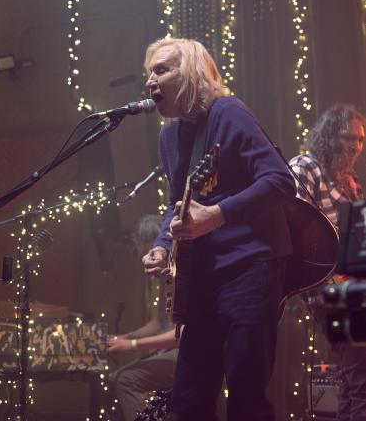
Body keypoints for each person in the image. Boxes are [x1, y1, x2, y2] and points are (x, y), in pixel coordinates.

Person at [142, 37, 296, 421]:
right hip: (203, 278)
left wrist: (217, 214)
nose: (149, 81)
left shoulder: (228, 112)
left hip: (250, 268)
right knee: (189, 400)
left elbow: (281, 180)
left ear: (190, 72)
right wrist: (162, 244)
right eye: (148, 73)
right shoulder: (168, 136)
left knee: (246, 397)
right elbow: (177, 204)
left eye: (161, 70)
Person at [289, 103, 366, 421]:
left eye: (361, 140)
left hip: (354, 288)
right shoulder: (306, 167)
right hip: (326, 287)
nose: (355, 146)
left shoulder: (350, 182)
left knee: (352, 379)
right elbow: (290, 223)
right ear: (330, 135)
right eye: (349, 137)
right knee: (361, 380)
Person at [109, 214, 181, 421]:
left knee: (126, 379)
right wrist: (123, 338)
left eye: (145, 251)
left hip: (189, 354)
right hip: (172, 350)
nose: (144, 258)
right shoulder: (165, 274)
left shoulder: (179, 272)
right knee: (116, 377)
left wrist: (131, 344)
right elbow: (159, 323)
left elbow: (181, 336)